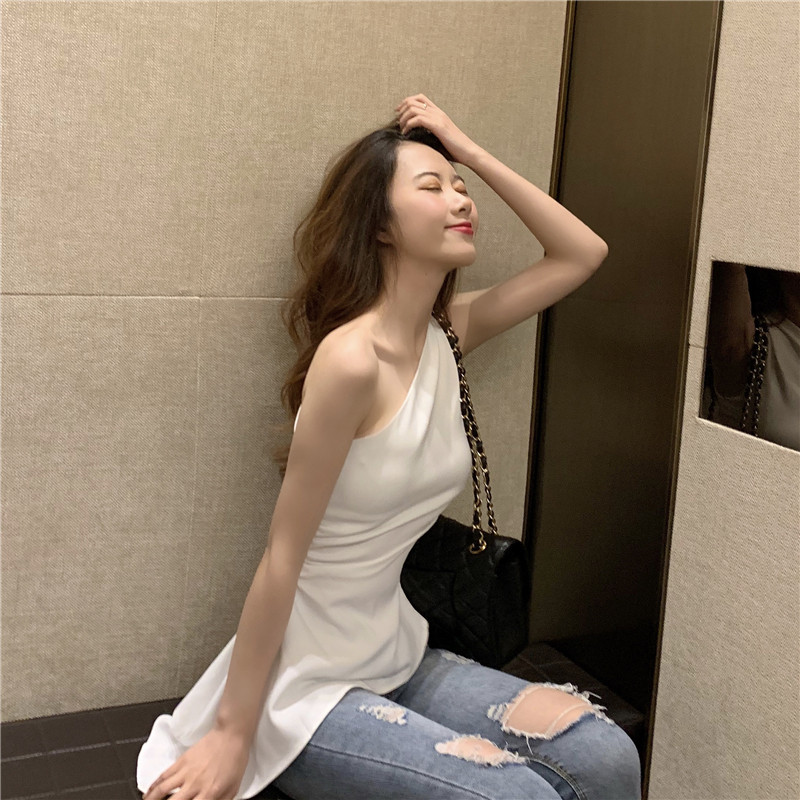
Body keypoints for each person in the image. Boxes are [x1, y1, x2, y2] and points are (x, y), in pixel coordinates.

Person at [138, 93, 641, 800]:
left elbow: (582, 253)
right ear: (379, 224)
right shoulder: (351, 361)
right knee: (520, 796)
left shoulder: (447, 336)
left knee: (610, 757)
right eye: (432, 187)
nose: (460, 200)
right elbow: (282, 558)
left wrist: (468, 150)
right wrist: (230, 732)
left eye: (461, 187)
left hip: (397, 654)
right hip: (302, 687)